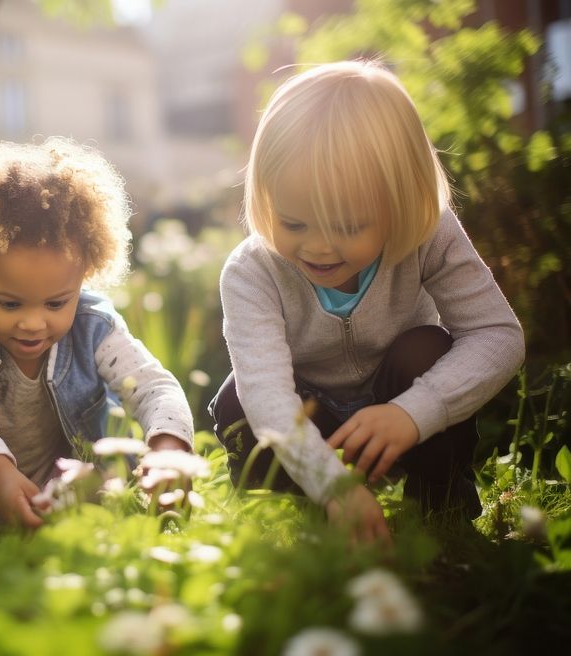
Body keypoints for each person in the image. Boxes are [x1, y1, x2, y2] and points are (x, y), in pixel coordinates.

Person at [210, 60, 525, 544]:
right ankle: (290, 518)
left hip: (399, 401)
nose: (317, 247)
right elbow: (268, 398)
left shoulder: (428, 235)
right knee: (238, 399)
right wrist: (330, 483)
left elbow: (497, 336)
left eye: (347, 227)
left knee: (426, 350)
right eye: (294, 223)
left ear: (401, 202)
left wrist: (415, 411)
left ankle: (440, 510)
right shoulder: (253, 271)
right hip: (310, 415)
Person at [0, 137, 194, 533]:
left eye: (56, 304)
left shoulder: (95, 325)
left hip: (63, 484)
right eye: (9, 304)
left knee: (107, 496)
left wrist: (168, 450)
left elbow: (154, 386)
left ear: (84, 275)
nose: (34, 323)